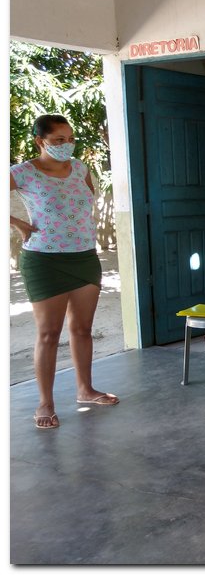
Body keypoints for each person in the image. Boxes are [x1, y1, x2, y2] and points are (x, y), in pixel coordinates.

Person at [10, 114, 119, 430]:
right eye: (58, 140)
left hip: (84, 257)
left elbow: (86, 202)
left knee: (82, 329)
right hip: (44, 261)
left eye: (69, 139)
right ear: (39, 141)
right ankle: (45, 403)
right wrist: (17, 224)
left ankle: (85, 390)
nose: (66, 145)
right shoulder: (25, 172)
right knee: (48, 333)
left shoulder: (81, 169)